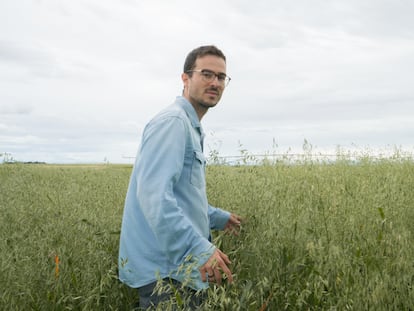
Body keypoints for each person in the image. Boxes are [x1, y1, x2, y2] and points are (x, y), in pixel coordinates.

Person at [118, 45, 242, 309]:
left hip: (177, 269)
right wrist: (199, 249)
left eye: (221, 77)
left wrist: (217, 216)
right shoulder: (173, 123)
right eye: (206, 74)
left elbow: (179, 196)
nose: (215, 82)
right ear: (185, 78)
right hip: (165, 272)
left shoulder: (190, 126)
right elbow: (155, 199)